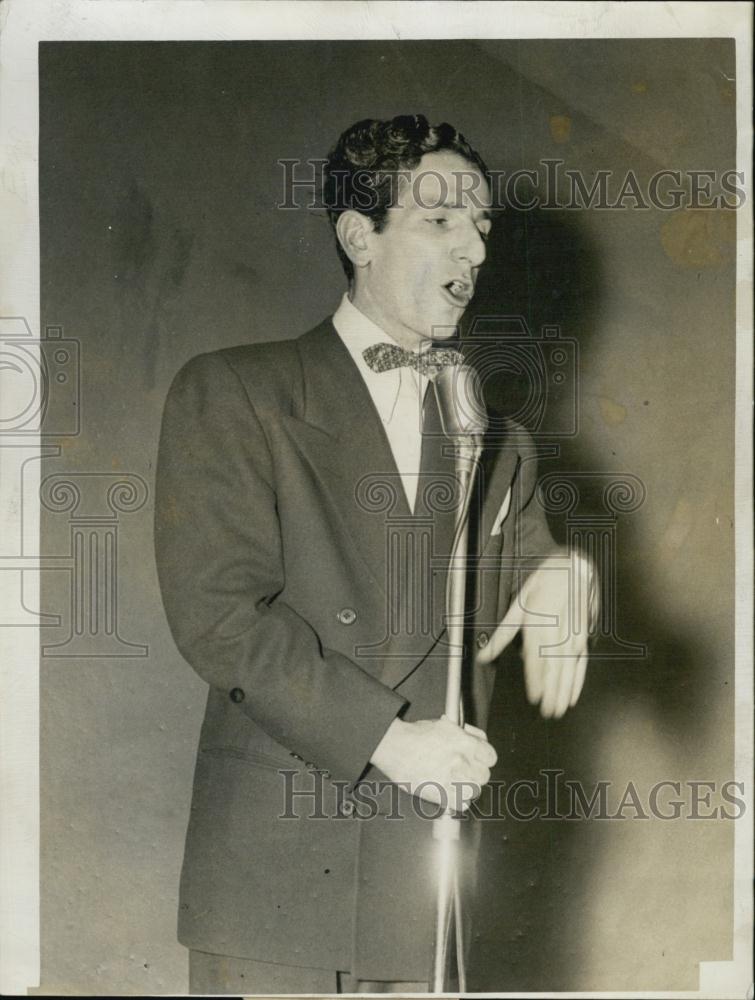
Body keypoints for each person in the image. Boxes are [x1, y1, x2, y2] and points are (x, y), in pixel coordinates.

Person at [154, 114, 594, 994]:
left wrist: (560, 574)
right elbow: (219, 614)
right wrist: (387, 741)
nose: (472, 243)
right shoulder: (237, 389)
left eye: (481, 224)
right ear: (360, 235)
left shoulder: (496, 439)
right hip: (276, 877)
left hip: (420, 877)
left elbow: (517, 580)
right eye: (440, 220)